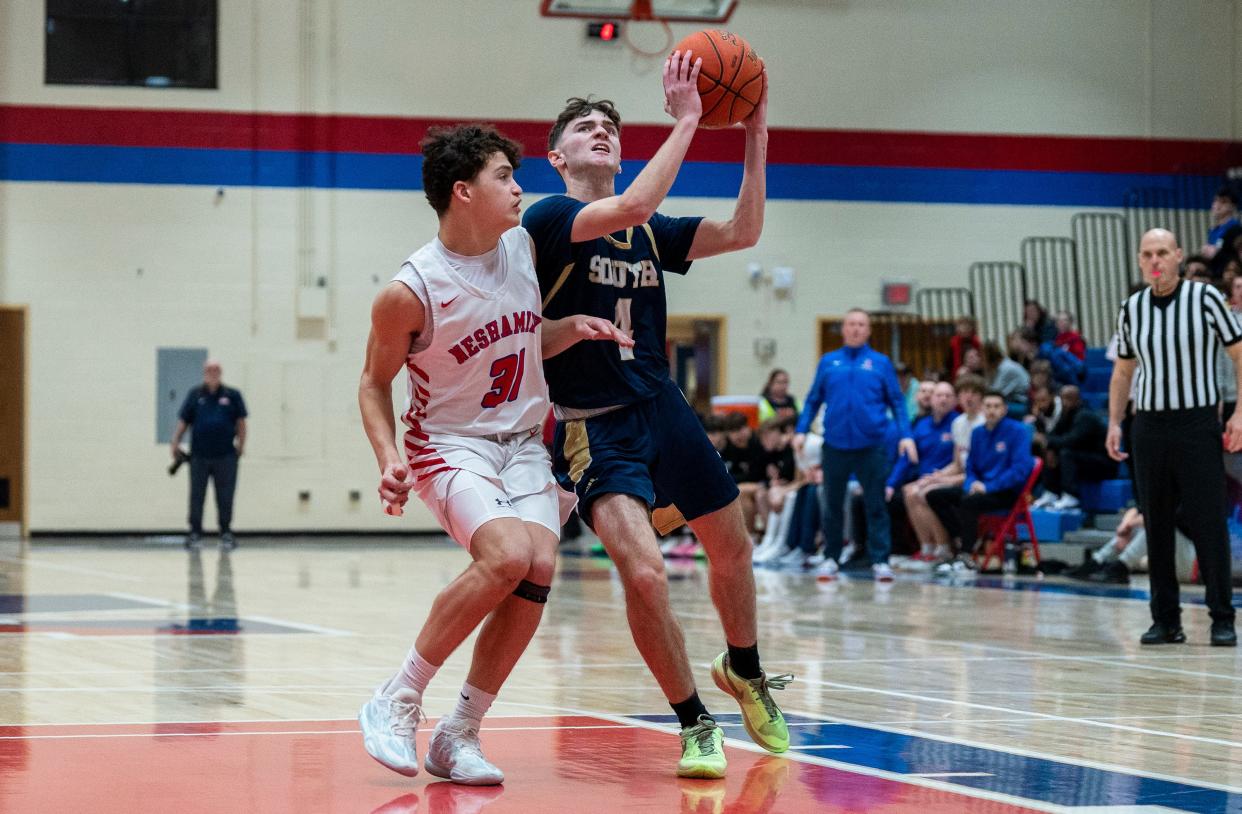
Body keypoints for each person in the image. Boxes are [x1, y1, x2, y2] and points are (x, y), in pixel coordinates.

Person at [523, 53, 790, 779]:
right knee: (644, 576)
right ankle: (694, 721)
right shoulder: (547, 218)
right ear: (558, 156)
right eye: (585, 127)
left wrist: (754, 135)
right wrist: (691, 120)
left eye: (610, 125)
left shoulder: (646, 232)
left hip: (661, 405)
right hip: (593, 424)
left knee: (732, 546)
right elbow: (634, 204)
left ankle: (745, 670)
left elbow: (743, 231)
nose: (601, 131)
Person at [355, 123, 633, 785]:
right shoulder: (410, 289)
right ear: (463, 192)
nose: (518, 187)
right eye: (504, 176)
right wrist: (386, 456)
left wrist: (570, 329)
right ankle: (396, 697)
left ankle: (460, 734)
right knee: (506, 554)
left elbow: (518, 338)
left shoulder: (522, 247)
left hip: (521, 444)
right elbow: (372, 382)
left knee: (536, 568)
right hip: (449, 444)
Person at [1108, 227, 1241, 647]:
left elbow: (1239, 354)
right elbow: (1123, 371)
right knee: (1158, 524)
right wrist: (1115, 422)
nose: (1155, 261)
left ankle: (1222, 617)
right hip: (1148, 426)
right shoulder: (1131, 308)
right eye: (1147, 254)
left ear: (1179, 255)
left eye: (1162, 252)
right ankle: (1165, 619)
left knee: (1207, 522)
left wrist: (1240, 412)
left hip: (1196, 423)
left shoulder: (1205, 300)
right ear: (1139, 260)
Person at [794, 308, 916, 582]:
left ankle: (881, 560)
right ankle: (831, 557)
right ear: (844, 329)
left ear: (869, 330)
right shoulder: (828, 362)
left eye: (861, 324)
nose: (856, 329)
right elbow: (813, 399)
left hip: (871, 446)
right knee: (832, 505)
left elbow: (897, 401)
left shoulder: (881, 363)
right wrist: (801, 430)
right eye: (851, 324)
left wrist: (906, 435)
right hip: (835, 445)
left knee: (875, 505)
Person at [926, 391, 1034, 567]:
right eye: (988, 406)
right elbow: (971, 467)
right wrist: (971, 484)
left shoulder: (1018, 432)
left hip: (1006, 492)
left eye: (996, 406)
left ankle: (966, 556)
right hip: (979, 488)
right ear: (983, 409)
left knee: (970, 502)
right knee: (934, 496)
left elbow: (1019, 471)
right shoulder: (977, 433)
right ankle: (961, 538)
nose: (992, 410)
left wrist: (989, 487)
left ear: (1005, 410)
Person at [902, 375, 986, 570]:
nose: (969, 398)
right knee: (912, 489)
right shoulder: (960, 424)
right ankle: (927, 548)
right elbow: (958, 463)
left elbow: (977, 470)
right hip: (961, 475)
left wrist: (942, 482)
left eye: (974, 393)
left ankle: (943, 549)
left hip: (975, 481)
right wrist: (937, 476)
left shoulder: (983, 425)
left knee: (925, 493)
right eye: (965, 393)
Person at [170, 359, 247, 550]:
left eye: (216, 370)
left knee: (225, 496)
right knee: (197, 496)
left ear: (221, 373)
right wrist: (175, 442)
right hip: (199, 456)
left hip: (226, 456)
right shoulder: (195, 395)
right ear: (204, 372)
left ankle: (226, 533)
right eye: (209, 370)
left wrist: (241, 445)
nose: (213, 373)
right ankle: (195, 533)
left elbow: (241, 422)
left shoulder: (233, 395)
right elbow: (184, 420)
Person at [1032, 385, 1115, 511]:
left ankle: (1071, 495)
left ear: (1078, 400)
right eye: (1063, 399)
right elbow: (1053, 436)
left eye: (1069, 399)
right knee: (1050, 451)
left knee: (1066, 453)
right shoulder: (1066, 416)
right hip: (1082, 459)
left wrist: (1047, 441)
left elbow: (1071, 441)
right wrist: (1048, 446)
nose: (1065, 403)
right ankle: (1051, 492)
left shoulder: (1085, 416)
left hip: (1103, 463)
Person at [983, 340, 1030, 415]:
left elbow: (995, 393)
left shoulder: (1007, 368)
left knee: (992, 408)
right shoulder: (1001, 366)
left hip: (1022, 404)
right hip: (1014, 401)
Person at [1202, 186, 1239, 259]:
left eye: (1223, 202)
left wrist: (1216, 253)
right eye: (1216, 200)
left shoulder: (1236, 230)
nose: (1218, 205)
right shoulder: (1213, 230)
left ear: (1233, 207)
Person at [945, 317, 980, 383]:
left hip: (974, 371)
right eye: (962, 327)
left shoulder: (976, 341)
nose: (964, 330)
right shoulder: (954, 342)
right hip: (957, 372)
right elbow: (949, 361)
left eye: (966, 327)